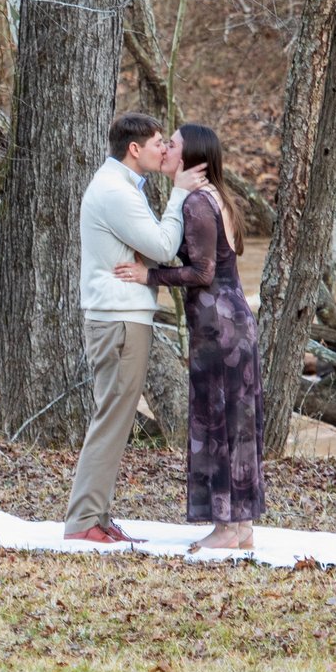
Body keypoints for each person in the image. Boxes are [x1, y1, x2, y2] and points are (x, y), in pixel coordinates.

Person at [113, 122, 263, 551]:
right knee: (238, 423)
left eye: (172, 144)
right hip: (235, 320)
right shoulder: (217, 197)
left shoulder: (197, 203)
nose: (164, 149)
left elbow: (202, 272)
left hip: (219, 328)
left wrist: (149, 274)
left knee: (217, 423)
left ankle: (224, 527)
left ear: (189, 156)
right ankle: (242, 526)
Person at [64, 113, 204, 544]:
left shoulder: (121, 187)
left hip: (119, 316)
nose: (164, 149)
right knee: (112, 419)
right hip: (120, 319)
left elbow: (153, 252)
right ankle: (86, 521)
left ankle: (97, 518)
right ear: (135, 149)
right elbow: (162, 246)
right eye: (159, 142)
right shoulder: (116, 193)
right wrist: (179, 196)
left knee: (115, 418)